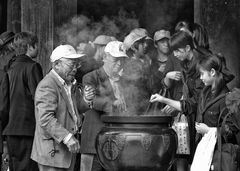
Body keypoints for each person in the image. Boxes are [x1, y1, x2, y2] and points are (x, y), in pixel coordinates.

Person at [150, 53, 238, 170]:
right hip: (204, 149)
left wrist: (208, 130)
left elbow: (232, 130)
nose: (200, 78)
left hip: (219, 155)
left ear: (212, 72)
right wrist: (163, 99)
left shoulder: (228, 98)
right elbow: (188, 105)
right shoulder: (204, 93)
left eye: (202, 74)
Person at [31, 44, 95, 171]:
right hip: (53, 153)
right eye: (71, 64)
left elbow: (75, 109)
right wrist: (68, 137)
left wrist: (86, 99)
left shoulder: (69, 83)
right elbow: (46, 119)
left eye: (77, 64)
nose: (75, 68)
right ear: (56, 65)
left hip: (65, 152)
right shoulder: (48, 85)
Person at [81, 41, 128, 171]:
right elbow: (91, 100)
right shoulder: (90, 77)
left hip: (117, 142)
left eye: (122, 59)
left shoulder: (123, 80)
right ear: (105, 57)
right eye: (116, 59)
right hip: (94, 142)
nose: (119, 63)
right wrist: (112, 103)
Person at [2, 32, 42, 171]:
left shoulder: (8, 68)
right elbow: (39, 99)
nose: (38, 48)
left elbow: (4, 103)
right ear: (30, 47)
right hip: (28, 128)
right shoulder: (33, 67)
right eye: (37, 46)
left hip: (11, 129)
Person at [122, 31, 153, 115]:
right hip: (135, 107)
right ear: (133, 47)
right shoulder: (129, 64)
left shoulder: (146, 61)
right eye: (142, 43)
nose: (146, 45)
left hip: (146, 104)